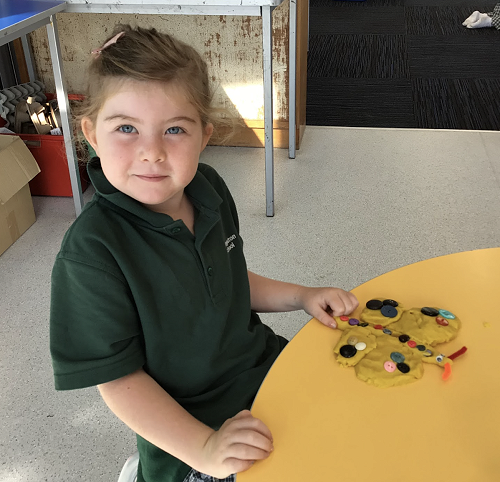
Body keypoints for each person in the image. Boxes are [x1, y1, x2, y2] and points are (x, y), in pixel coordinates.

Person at [49, 25, 359, 482]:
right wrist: (205, 448)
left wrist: (302, 296)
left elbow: (226, 278)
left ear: (204, 135)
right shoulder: (92, 252)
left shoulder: (208, 188)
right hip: (192, 430)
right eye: (126, 128)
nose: (152, 152)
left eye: (174, 129)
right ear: (92, 134)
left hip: (263, 371)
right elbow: (118, 379)